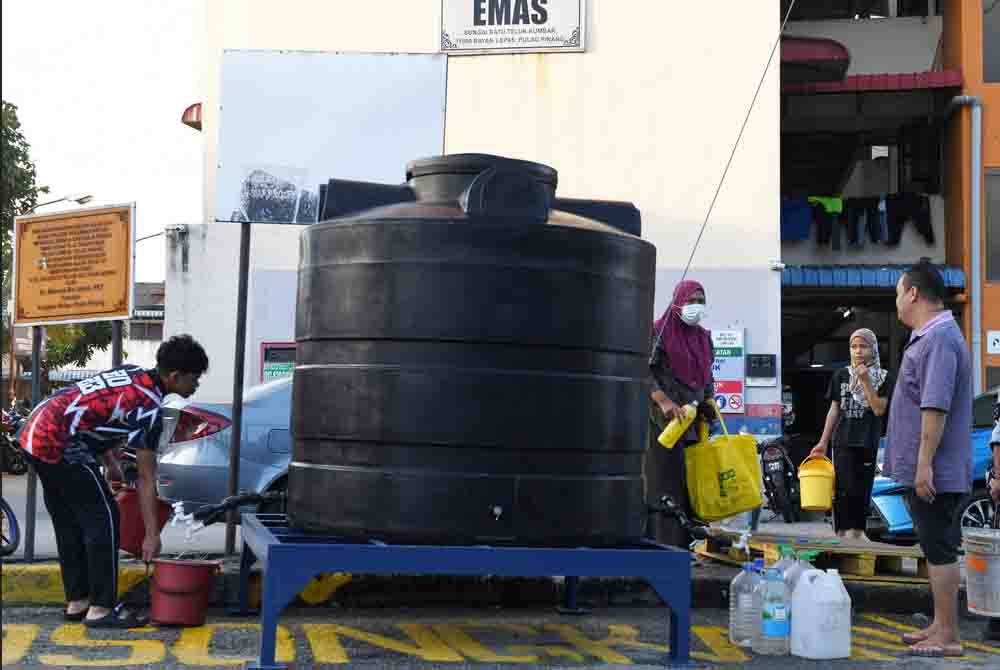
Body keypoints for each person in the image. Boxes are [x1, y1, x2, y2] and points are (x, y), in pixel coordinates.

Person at [17, 335, 208, 628]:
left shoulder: (132, 373)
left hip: (34, 432)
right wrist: (151, 535)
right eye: (194, 379)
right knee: (104, 519)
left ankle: (77, 601)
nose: (196, 386)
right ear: (175, 376)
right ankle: (101, 609)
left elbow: (95, 410)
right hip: (59, 440)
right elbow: (146, 477)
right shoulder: (150, 409)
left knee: (69, 521)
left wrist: (111, 464)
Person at [882, 260, 972, 657]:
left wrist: (923, 464)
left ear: (913, 294)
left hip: (936, 469)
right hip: (930, 465)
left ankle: (948, 635)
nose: (898, 302)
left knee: (940, 549)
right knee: (934, 546)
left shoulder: (938, 338)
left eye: (899, 293)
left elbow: (934, 406)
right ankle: (938, 624)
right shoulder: (930, 336)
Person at [645, 279, 715, 547]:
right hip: (664, 424)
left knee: (693, 486)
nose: (696, 306)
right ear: (677, 302)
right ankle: (663, 544)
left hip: (694, 423)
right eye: (690, 300)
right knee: (665, 483)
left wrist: (709, 400)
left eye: (700, 301)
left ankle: (689, 545)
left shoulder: (704, 338)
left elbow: (707, 375)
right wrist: (663, 401)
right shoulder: (658, 333)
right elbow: (644, 371)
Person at [810, 328, 895, 541]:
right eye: (854, 346)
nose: (858, 351)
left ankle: (858, 531)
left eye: (863, 346)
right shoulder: (841, 375)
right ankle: (841, 532)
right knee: (842, 488)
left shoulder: (884, 378)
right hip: (842, 441)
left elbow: (878, 409)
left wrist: (865, 381)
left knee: (862, 489)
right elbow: (834, 409)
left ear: (873, 349)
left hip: (867, 440)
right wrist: (822, 442)